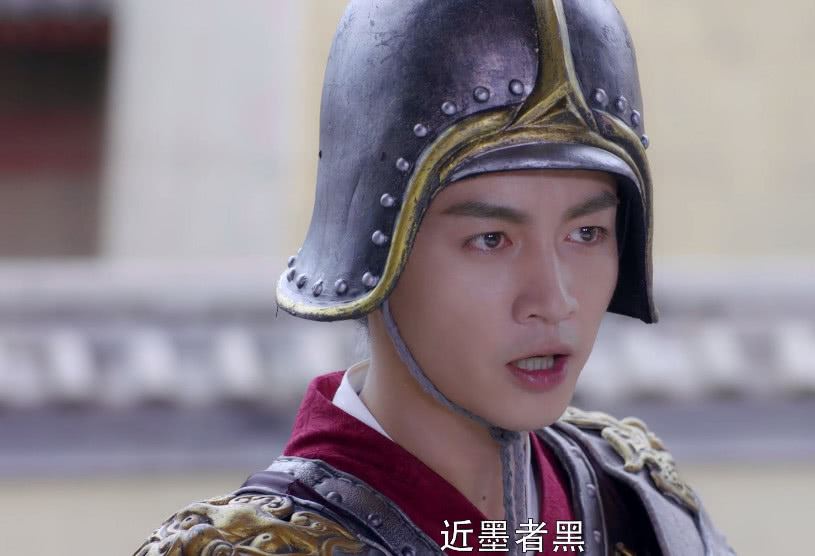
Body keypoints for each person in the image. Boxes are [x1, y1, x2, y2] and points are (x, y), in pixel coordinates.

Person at [136, 0, 735, 554]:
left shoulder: (637, 501)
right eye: (490, 240)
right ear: (374, 248)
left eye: (586, 233)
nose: (554, 301)